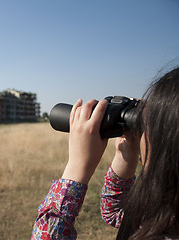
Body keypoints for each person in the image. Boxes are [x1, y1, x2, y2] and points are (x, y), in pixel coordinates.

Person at [31, 67, 179, 240]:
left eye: (148, 126)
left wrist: (76, 169)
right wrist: (127, 152)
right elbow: (114, 212)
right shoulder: (166, 212)